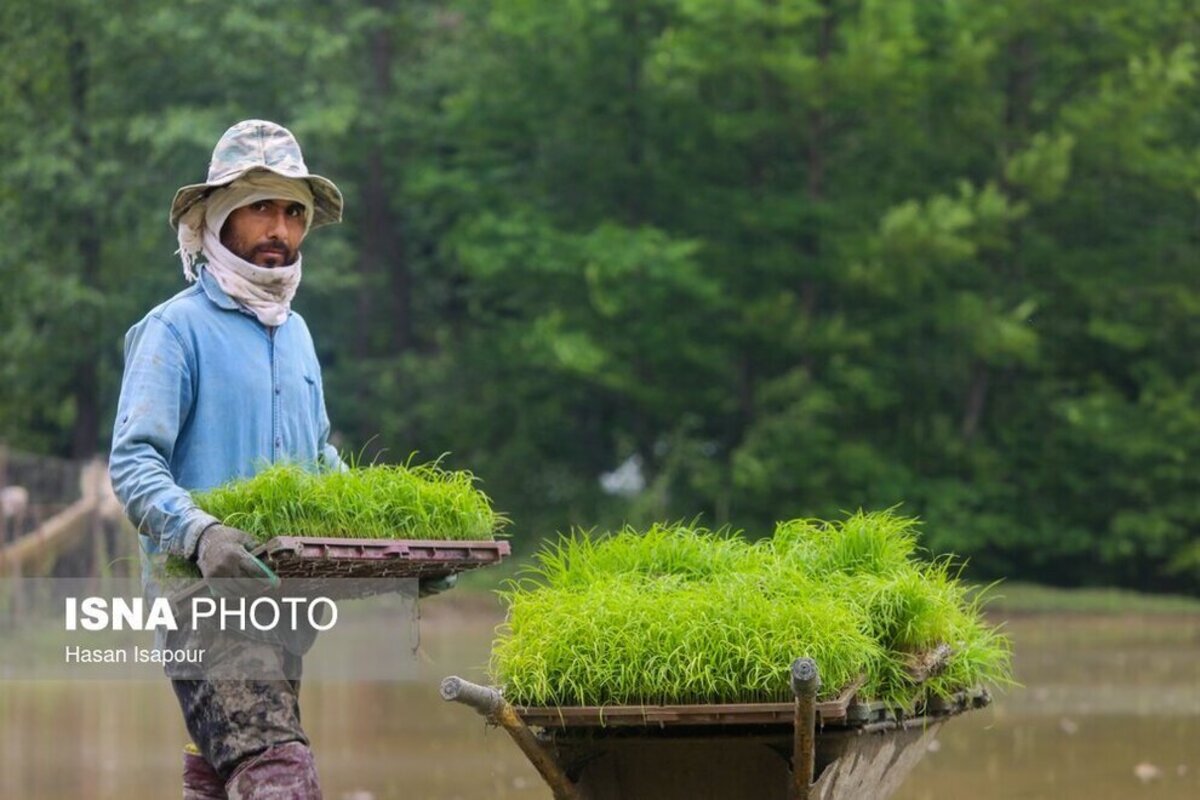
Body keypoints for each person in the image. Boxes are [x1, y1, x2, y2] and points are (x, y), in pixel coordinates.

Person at [109, 119, 346, 799]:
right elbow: (133, 463)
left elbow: (321, 466)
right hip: (203, 606)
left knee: (219, 776)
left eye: (293, 212)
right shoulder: (173, 330)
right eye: (261, 208)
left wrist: (413, 546)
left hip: (284, 614)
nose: (280, 227)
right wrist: (202, 532)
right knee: (277, 771)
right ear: (217, 218)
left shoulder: (296, 335)